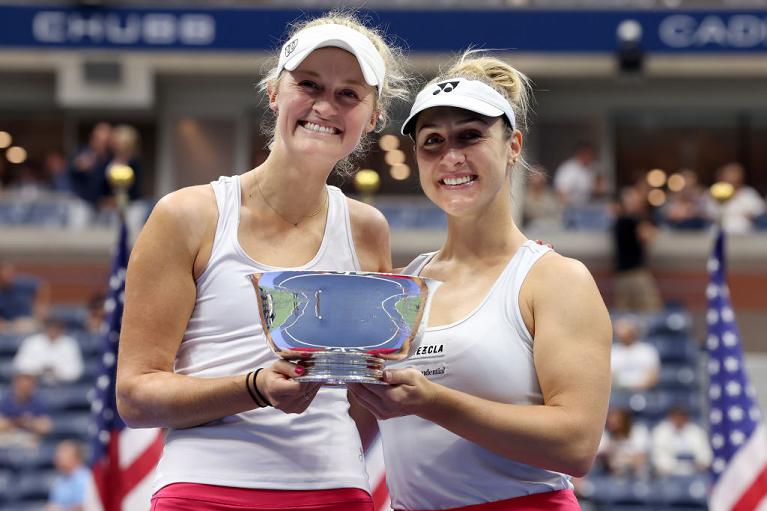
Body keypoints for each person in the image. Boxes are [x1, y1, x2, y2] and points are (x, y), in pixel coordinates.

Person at [116, 12, 407, 511]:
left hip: (337, 490)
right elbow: (135, 397)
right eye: (309, 84)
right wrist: (254, 388)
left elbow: (361, 392)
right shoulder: (187, 215)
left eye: (348, 94)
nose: (324, 106)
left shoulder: (368, 229)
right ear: (274, 93)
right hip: (204, 492)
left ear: (373, 118)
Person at [347, 53, 612, 510]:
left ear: (513, 146)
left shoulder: (554, 280)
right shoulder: (398, 288)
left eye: (471, 136)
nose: (451, 157)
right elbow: (353, 431)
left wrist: (433, 402)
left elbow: (576, 445)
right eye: (432, 141)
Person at [612, 185, 663, 312]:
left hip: (621, 274)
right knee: (651, 308)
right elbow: (648, 236)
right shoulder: (632, 221)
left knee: (623, 312)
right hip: (636, 273)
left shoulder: (619, 221)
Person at [13, 315, 84, 384]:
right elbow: (20, 365)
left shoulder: (70, 344)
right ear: (45, 328)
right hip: (35, 384)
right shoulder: (32, 342)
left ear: (62, 329)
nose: (53, 330)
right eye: (50, 327)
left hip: (63, 386)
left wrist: (56, 372)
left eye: (56, 328)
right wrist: (40, 370)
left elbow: (76, 370)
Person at [705, 162, 765, 233]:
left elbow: (759, 212)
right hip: (717, 230)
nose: (732, 180)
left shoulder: (749, 193)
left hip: (743, 231)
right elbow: (708, 213)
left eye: (735, 177)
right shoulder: (714, 192)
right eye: (728, 177)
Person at [650, 407, 711, 477]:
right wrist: (674, 466)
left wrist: (698, 464)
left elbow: (705, 456)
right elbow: (657, 456)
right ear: (670, 417)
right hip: (668, 476)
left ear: (686, 418)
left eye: (681, 416)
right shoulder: (660, 432)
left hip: (694, 475)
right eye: (675, 417)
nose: (678, 420)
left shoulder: (697, 432)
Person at [0, 372, 53, 448]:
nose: (24, 388)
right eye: (21, 385)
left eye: (27, 386)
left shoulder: (37, 403)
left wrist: (30, 422)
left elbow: (46, 427)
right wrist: (17, 422)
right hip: (8, 436)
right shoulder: (5, 402)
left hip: (29, 437)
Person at [610, 316, 660, 391]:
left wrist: (637, 388)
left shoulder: (647, 350)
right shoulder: (612, 351)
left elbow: (653, 376)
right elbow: (609, 377)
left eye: (625, 328)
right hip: (618, 392)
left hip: (644, 392)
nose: (622, 332)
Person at [0, 259, 50, 333]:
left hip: (26, 321)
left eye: (10, 272)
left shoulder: (23, 284)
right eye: (5, 272)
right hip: (7, 323)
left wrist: (41, 306)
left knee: (24, 327)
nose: (8, 275)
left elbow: (42, 286)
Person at [45, 440, 90, 511]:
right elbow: (52, 504)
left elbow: (86, 506)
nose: (58, 457)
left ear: (75, 457)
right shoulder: (59, 481)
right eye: (58, 453)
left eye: (64, 453)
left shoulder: (86, 478)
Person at [553, 141, 599, 205]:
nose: (588, 156)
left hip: (589, 205)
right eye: (585, 153)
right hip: (571, 207)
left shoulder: (594, 167)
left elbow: (599, 190)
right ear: (579, 154)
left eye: (590, 154)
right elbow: (560, 193)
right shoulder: (568, 168)